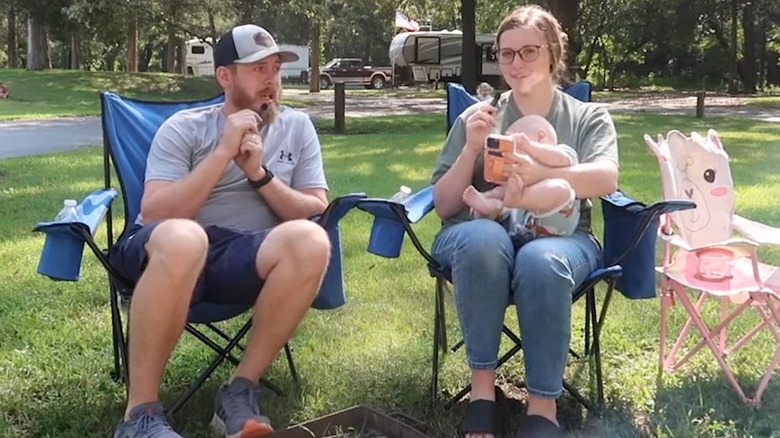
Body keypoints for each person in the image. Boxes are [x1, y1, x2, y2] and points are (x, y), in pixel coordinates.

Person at [108, 24, 331, 438]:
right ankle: (139, 416)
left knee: (312, 238)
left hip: (243, 257)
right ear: (225, 76)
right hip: (168, 252)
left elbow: (315, 206)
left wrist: (259, 175)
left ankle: (239, 390)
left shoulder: (297, 128)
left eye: (275, 69)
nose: (270, 79)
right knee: (186, 238)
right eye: (257, 68)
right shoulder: (186, 126)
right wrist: (224, 152)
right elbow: (155, 211)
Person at [430, 5, 618, 438]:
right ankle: (482, 395)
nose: (515, 64)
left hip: (563, 236)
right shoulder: (479, 116)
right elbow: (442, 204)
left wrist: (545, 175)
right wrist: (470, 150)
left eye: (528, 51)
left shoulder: (586, 117)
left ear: (552, 53)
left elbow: (605, 178)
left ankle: (542, 406)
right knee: (482, 238)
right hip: (479, 237)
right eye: (506, 54)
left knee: (540, 259)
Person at [462, 114, 579, 250]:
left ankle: (515, 200)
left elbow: (561, 159)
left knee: (561, 187)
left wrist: (529, 146)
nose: (514, 154)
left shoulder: (561, 151)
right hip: (520, 231)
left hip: (555, 217)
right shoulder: (517, 176)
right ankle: (490, 206)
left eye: (515, 146)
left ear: (541, 137)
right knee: (502, 190)